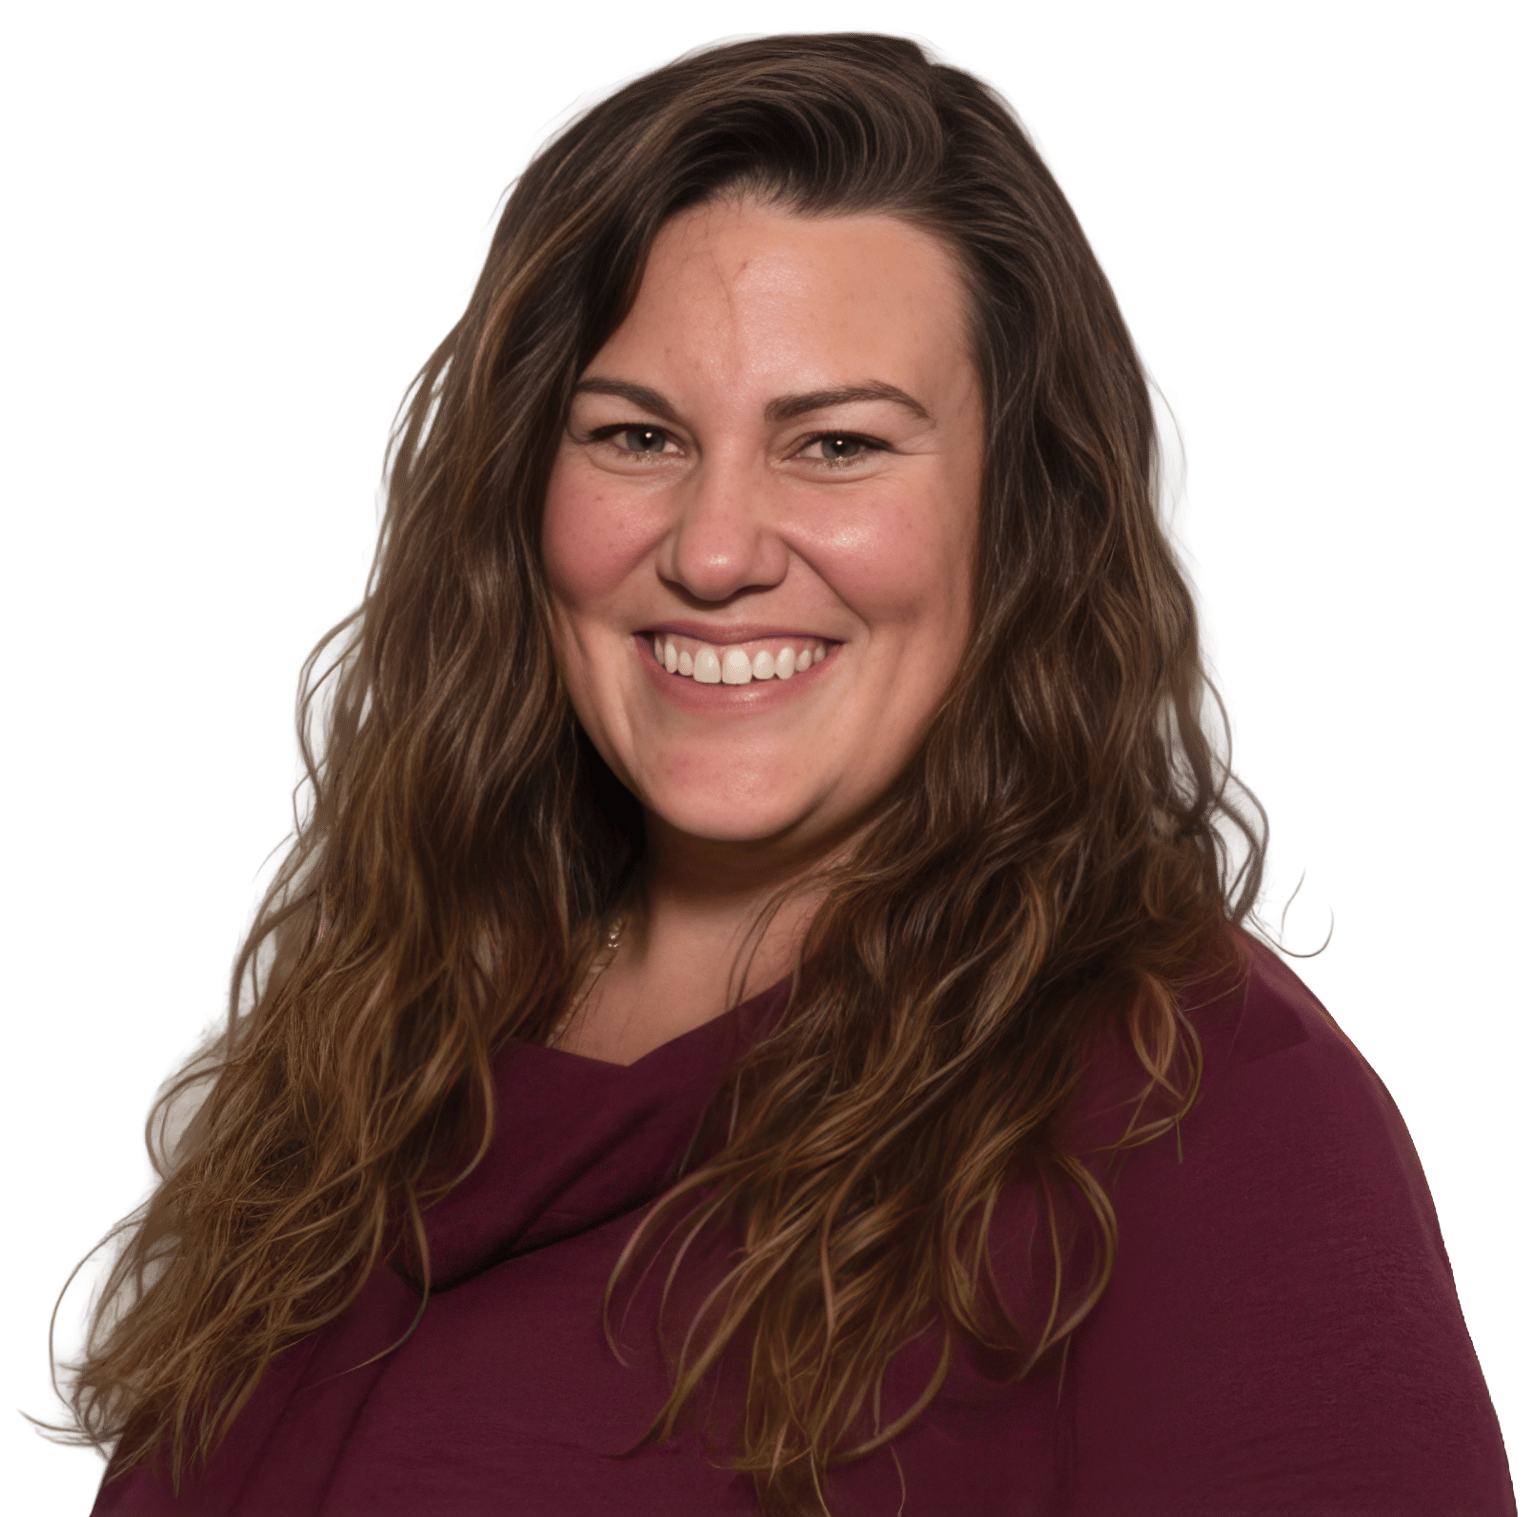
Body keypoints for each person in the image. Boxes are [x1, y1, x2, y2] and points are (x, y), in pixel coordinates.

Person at [27, 30, 1514, 1516]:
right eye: (636, 435)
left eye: (838, 445)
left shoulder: (1201, 1107)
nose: (715, 548)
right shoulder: (389, 1042)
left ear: (1017, 519)